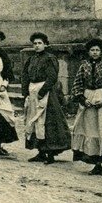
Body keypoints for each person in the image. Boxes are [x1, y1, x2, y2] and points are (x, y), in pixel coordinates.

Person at [71, 38, 102, 176]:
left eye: (97, 50)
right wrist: (82, 99)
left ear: (101, 52)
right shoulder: (84, 66)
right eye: (92, 50)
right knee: (91, 131)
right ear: (88, 52)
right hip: (88, 100)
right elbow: (77, 84)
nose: (94, 52)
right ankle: (97, 165)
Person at [22, 32, 71, 164]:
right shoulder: (31, 60)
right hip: (33, 92)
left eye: (40, 43)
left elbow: (52, 77)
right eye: (35, 43)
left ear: (45, 44)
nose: (37, 46)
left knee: (48, 122)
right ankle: (40, 151)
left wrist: (42, 92)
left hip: (46, 93)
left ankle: (50, 154)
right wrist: (25, 92)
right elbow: (25, 76)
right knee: (34, 120)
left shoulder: (50, 58)